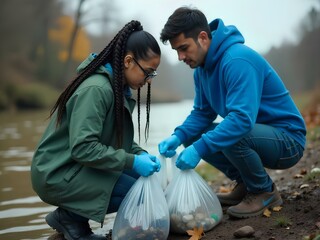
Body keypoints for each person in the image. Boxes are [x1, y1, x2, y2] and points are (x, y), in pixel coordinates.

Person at [158, 7, 306, 219]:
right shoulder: (201, 69)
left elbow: (241, 120)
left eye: (183, 48)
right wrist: (178, 136)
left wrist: (200, 149)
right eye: (176, 51)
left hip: (288, 140)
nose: (181, 57)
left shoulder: (237, 60)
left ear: (202, 37)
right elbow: (202, 113)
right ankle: (246, 184)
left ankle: (263, 191)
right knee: (194, 135)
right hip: (256, 135)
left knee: (233, 133)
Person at [31, 20, 162, 240]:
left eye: (153, 75)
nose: (149, 81)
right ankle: (71, 218)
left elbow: (119, 141)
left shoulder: (119, 90)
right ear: (128, 61)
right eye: (148, 72)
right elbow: (83, 148)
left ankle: (72, 216)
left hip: (75, 167)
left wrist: (141, 155)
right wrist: (132, 162)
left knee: (144, 183)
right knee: (134, 194)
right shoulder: (97, 90)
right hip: (56, 173)